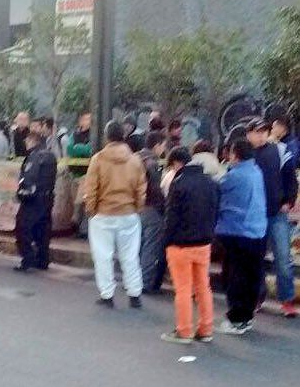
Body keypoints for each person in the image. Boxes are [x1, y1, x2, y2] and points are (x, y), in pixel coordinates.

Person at [84, 120, 147, 308]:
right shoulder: (135, 160)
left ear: (107, 136)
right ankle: (135, 294)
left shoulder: (98, 159)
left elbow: (91, 188)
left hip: (103, 215)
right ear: (124, 136)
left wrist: (91, 210)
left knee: (103, 256)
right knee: (130, 255)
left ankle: (107, 295)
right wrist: (137, 208)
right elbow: (141, 188)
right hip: (129, 214)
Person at [160, 147, 219, 344]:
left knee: (183, 289)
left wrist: (166, 241)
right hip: (204, 243)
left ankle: (184, 331)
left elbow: (171, 218)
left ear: (177, 163)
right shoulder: (211, 183)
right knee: (203, 287)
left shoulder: (179, 184)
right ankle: (206, 329)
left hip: (180, 245)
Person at [215, 139, 268, 335]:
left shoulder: (234, 176)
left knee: (235, 276)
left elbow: (218, 191)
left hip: (237, 231)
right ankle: (246, 317)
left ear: (235, 155)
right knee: (251, 276)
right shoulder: (256, 171)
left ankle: (236, 319)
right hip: (257, 230)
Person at [247, 119, 298, 317]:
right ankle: (257, 298)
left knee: (283, 260)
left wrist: (289, 201)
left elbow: (290, 179)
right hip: (254, 215)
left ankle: (287, 300)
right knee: (255, 260)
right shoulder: (246, 154)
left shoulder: (280, 151)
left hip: (277, 214)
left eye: (264, 131)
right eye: (256, 132)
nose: (260, 135)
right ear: (248, 134)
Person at [14, 130, 58, 272]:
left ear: (32, 141)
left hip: (33, 199)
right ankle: (42, 260)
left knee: (23, 228)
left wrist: (22, 193)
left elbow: (29, 178)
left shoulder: (34, 157)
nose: (25, 144)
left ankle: (27, 259)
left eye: (27, 141)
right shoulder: (50, 156)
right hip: (47, 198)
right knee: (43, 230)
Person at [137, 131, 168, 294]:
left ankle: (132, 280)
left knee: (138, 245)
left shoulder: (134, 158)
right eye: (163, 145)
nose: (164, 149)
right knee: (150, 246)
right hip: (151, 208)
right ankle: (144, 282)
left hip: (134, 207)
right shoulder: (152, 162)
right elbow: (156, 189)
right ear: (157, 145)